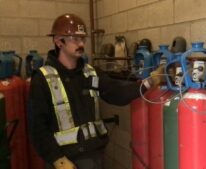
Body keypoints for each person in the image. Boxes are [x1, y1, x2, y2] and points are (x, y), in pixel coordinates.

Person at [28, 13, 151, 169]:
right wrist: (57, 159)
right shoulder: (42, 79)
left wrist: (150, 81)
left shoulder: (91, 73)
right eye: (75, 39)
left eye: (82, 39)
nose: (81, 44)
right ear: (59, 41)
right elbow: (37, 128)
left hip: (93, 158)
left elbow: (118, 93)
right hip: (63, 160)